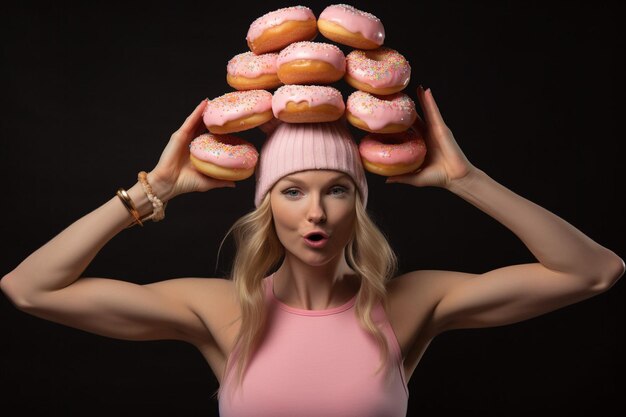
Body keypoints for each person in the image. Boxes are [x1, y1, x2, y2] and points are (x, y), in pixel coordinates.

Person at [1, 86, 623, 417]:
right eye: (293, 190)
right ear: (268, 203)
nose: (317, 212)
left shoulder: (409, 304)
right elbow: (29, 288)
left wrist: (466, 180)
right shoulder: (221, 312)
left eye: (339, 191)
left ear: (360, 203)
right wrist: (150, 191)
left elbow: (594, 272)